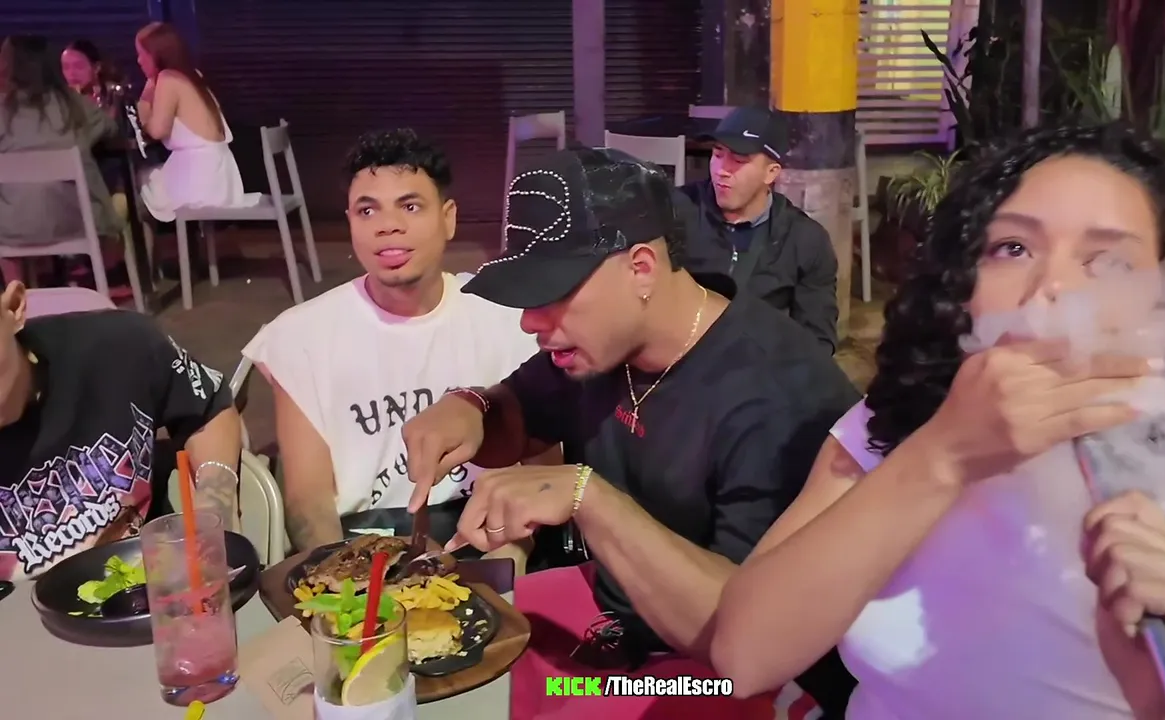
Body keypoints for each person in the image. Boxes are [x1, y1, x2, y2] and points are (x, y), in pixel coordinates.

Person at [710, 125, 1165, 718]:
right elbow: (743, 656)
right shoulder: (897, 424)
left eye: (1109, 260)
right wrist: (943, 455)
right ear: (963, 284)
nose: (1052, 288)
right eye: (1013, 248)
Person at [399, 147, 859, 719]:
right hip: (618, 613)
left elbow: (742, 638)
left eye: (551, 292)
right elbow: (517, 414)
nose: (529, 321)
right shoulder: (602, 345)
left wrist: (586, 497)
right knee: (431, 668)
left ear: (641, 267)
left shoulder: (777, 399)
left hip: (735, 673)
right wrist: (469, 407)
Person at [242, 129, 539, 564]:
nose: (387, 226)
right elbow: (308, 501)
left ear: (448, 218)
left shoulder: (508, 319)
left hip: (485, 534)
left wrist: (508, 563)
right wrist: (344, 578)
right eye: (367, 210)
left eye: (410, 206)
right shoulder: (301, 337)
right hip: (361, 547)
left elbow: (541, 472)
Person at [0, 266, 242, 582]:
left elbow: (210, 411)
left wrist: (213, 502)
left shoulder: (118, 348)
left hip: (147, 589)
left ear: (14, 307)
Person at [678, 106, 838, 353]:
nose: (721, 170)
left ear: (770, 173)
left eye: (738, 160)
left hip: (756, 366)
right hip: (679, 359)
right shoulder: (677, 210)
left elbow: (817, 342)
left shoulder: (805, 239)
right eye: (717, 154)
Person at [0, 35, 123, 255]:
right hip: (76, 222)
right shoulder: (74, 104)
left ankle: (17, 277)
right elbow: (110, 128)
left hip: (10, 229)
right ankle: (104, 270)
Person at [134, 22, 258, 222]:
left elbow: (157, 131)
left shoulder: (168, 79)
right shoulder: (193, 74)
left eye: (142, 54)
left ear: (156, 54)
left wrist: (144, 104)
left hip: (200, 178)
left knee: (140, 186)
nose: (139, 61)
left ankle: (136, 243)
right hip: (223, 176)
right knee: (149, 177)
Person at [61, 39, 125, 117]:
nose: (71, 73)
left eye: (79, 66)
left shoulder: (115, 96)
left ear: (97, 67)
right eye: (66, 67)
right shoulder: (60, 102)